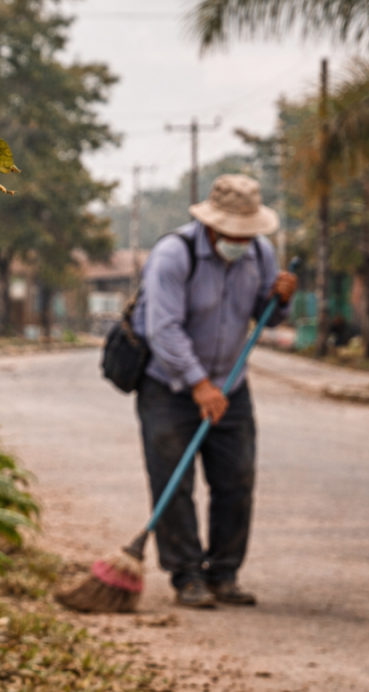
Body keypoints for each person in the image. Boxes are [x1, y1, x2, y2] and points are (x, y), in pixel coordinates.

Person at [130, 174, 297, 609]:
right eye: (232, 233)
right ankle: (186, 575)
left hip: (231, 385)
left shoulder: (260, 252)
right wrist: (199, 385)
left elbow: (268, 317)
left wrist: (281, 299)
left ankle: (224, 572)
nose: (240, 240)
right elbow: (162, 329)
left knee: (237, 480)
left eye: (247, 233)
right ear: (211, 225)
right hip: (168, 386)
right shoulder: (173, 255)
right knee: (173, 481)